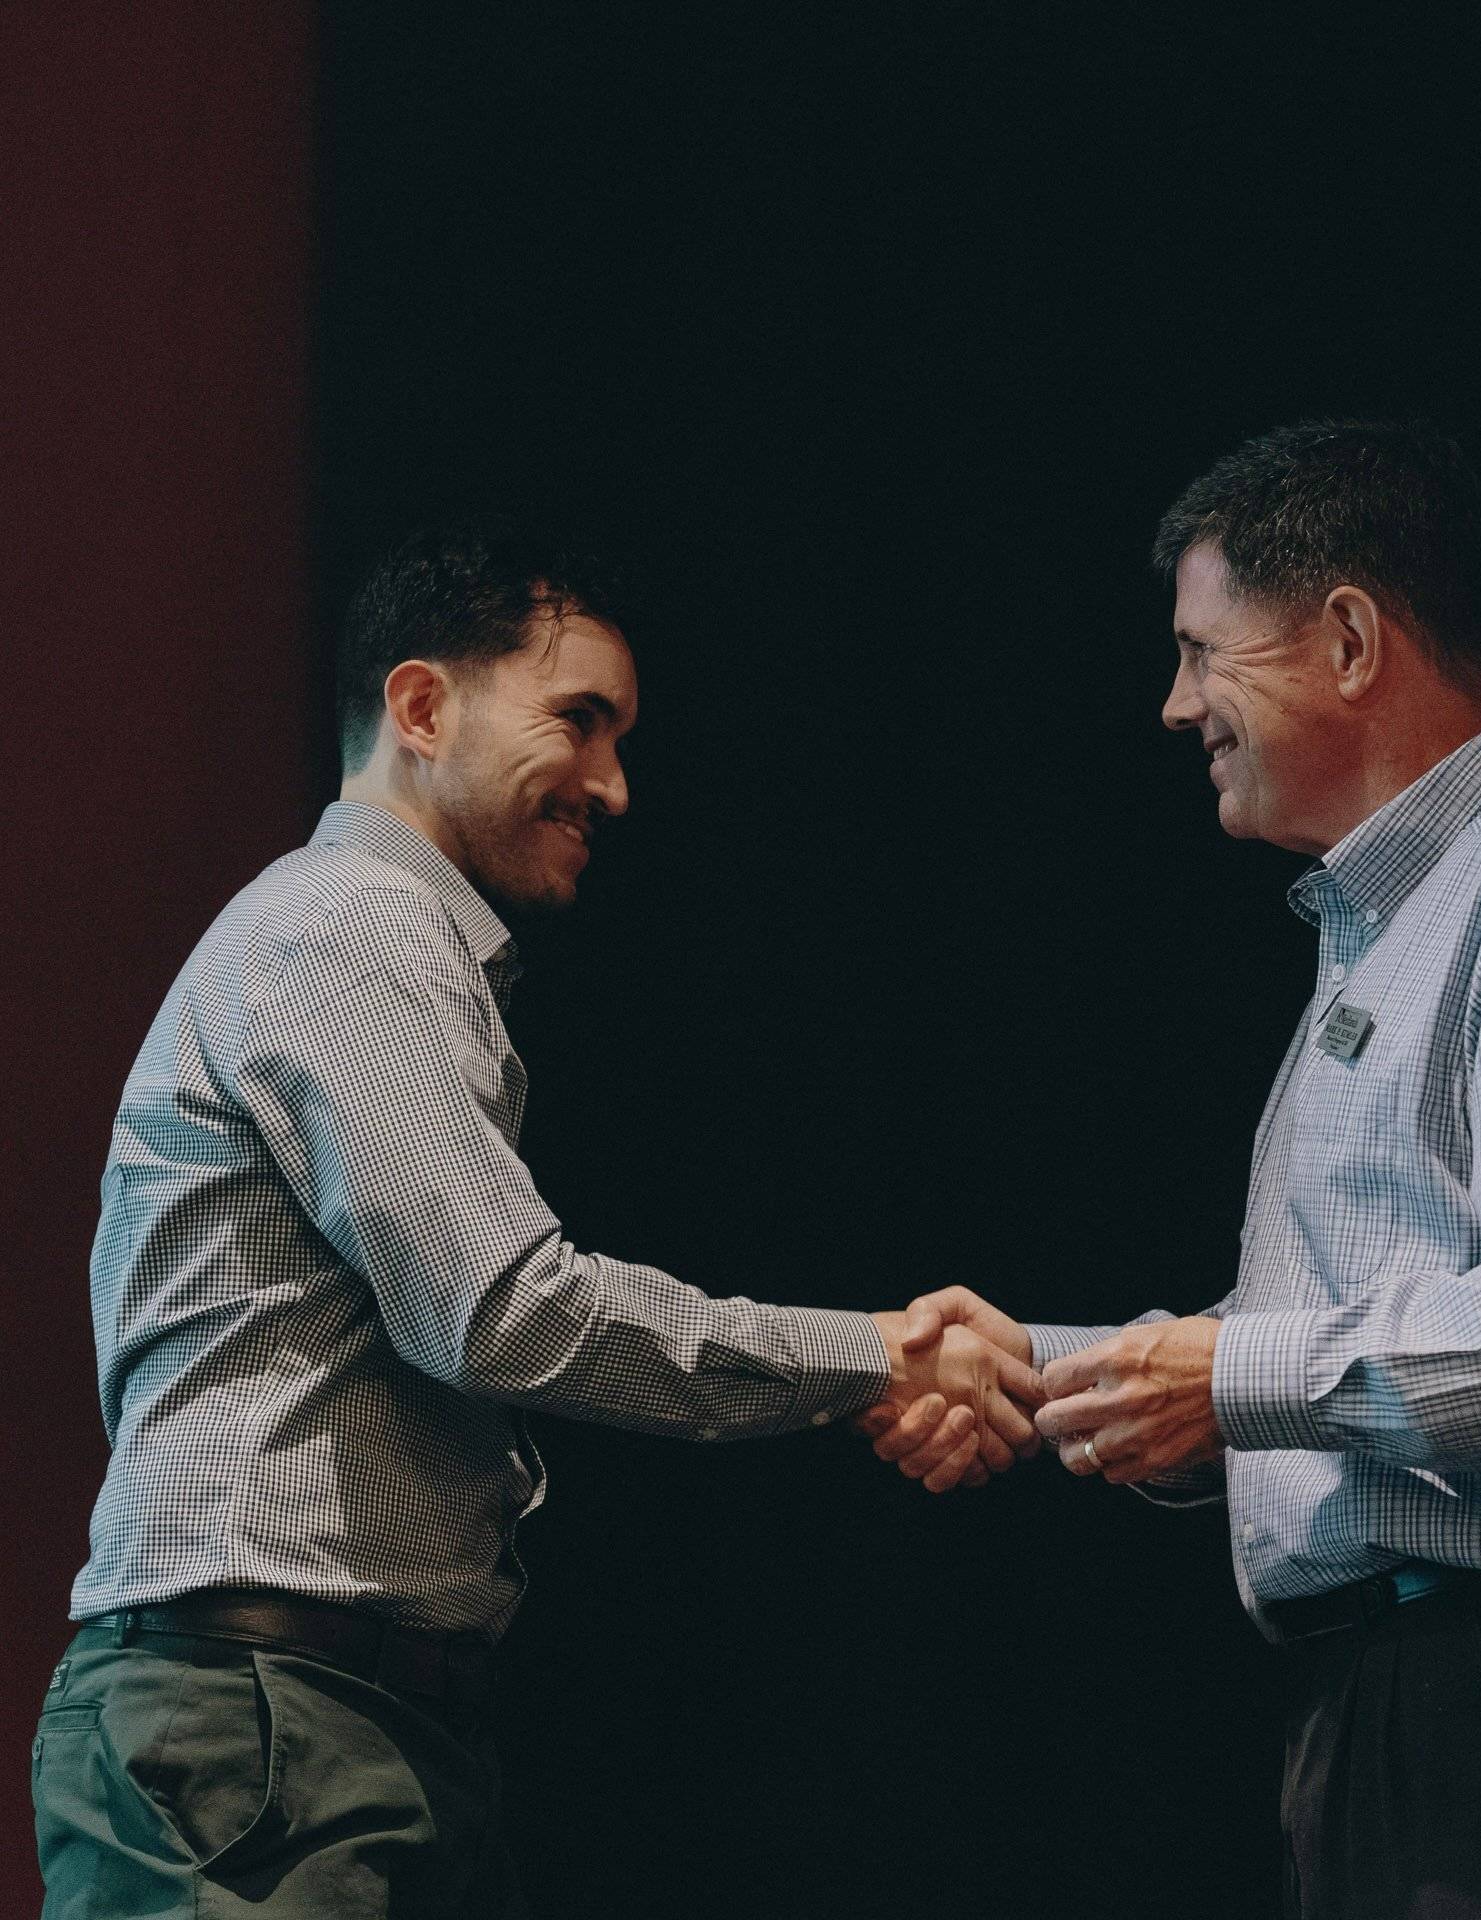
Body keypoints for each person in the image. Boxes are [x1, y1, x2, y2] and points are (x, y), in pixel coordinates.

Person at [32, 521, 1043, 1920]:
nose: (615, 786)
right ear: (423, 706)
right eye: (580, 722)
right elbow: (502, 1313)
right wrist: (873, 1356)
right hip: (262, 1733)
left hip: (332, 1729)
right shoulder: (349, 929)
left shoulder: (381, 944)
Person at [864, 420, 1481, 1917]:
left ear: (1350, 638)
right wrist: (1047, 1372)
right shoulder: (1401, 927)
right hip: (1423, 1721)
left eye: (1200, 651)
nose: (1176, 708)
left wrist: (1229, 1375)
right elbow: (1323, 1349)